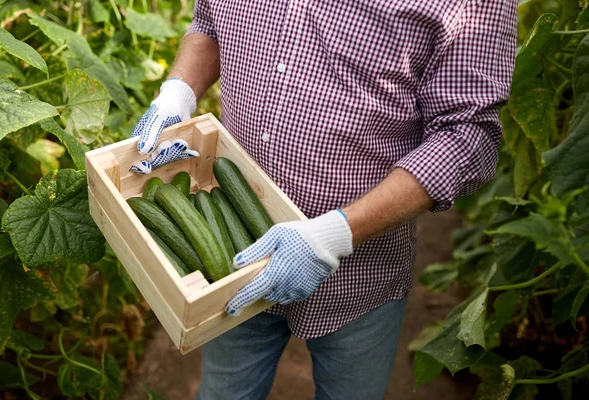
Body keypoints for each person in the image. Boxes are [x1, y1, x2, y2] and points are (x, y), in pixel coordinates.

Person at [131, 1, 517, 399]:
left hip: (360, 275)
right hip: (235, 256)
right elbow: (210, 23)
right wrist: (178, 91)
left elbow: (468, 135)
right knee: (225, 392)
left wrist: (336, 233)